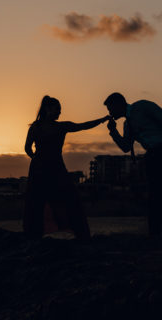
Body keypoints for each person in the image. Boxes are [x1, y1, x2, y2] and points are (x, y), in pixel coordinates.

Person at [23, 95, 109, 239]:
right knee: (37, 202)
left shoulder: (60, 126)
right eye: (57, 109)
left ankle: (77, 233)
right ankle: (34, 234)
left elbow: (82, 126)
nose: (59, 113)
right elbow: (27, 148)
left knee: (69, 198)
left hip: (54, 167)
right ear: (47, 109)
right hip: (42, 169)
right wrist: (38, 160)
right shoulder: (36, 127)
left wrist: (101, 120)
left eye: (60, 110)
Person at [104, 92, 162, 236]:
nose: (110, 113)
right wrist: (113, 131)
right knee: (154, 193)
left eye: (110, 109)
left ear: (119, 105)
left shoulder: (142, 106)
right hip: (152, 154)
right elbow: (125, 147)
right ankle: (154, 232)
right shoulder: (127, 125)